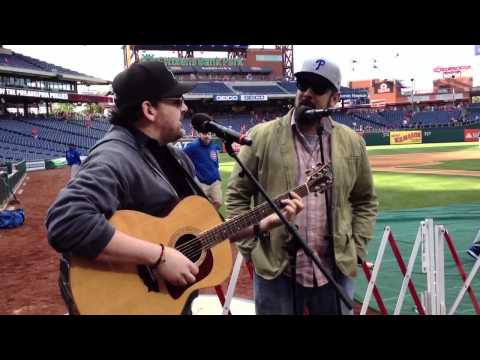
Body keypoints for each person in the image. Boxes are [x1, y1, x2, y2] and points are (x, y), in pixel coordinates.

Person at [45, 61, 304, 315]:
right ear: (149, 109)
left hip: (171, 302)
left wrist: (262, 224)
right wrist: (158, 257)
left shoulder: (174, 157)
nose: (185, 108)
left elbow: (206, 236)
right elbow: (66, 221)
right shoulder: (115, 156)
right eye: (177, 101)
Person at [225, 57, 379, 315]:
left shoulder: (352, 142)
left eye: (318, 87)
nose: (307, 93)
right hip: (277, 271)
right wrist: (252, 250)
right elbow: (236, 197)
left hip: (335, 270)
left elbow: (365, 200)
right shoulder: (261, 136)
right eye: (302, 84)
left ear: (334, 98)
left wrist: (357, 249)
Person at [183, 131, 222, 210]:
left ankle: (209, 218)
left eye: (209, 134)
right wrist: (192, 175)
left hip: (215, 181)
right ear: (199, 134)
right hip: (201, 182)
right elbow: (182, 157)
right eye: (204, 134)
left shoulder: (213, 146)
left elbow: (215, 161)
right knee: (201, 206)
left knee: (218, 202)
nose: (207, 136)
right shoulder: (193, 146)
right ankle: (205, 220)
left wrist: (218, 176)